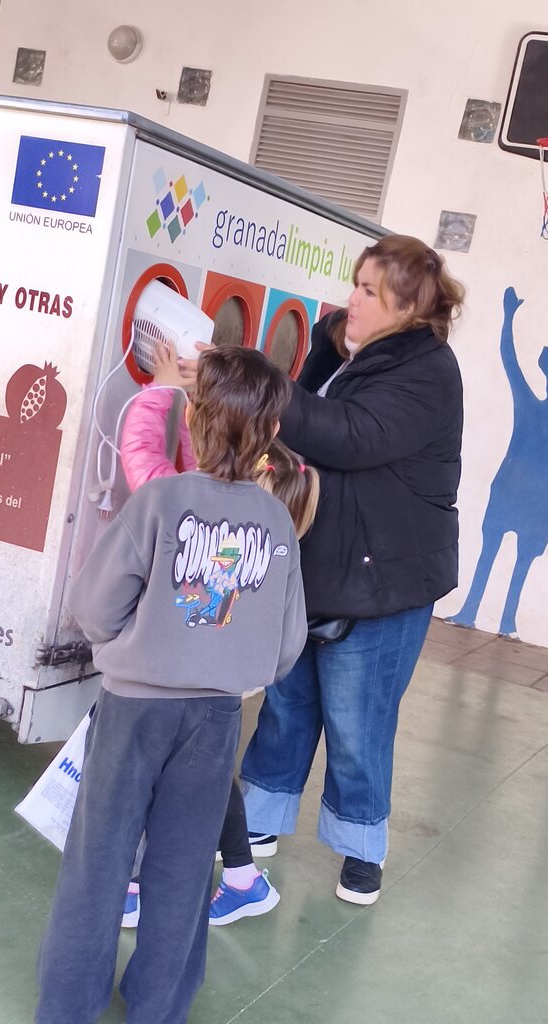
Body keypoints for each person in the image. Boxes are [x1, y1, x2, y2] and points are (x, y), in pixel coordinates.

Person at [35, 346, 307, 1024]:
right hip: (214, 718)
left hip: (133, 707)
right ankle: (157, 1007)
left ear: (191, 417)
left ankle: (69, 1006)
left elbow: (93, 606)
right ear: (273, 432)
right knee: (184, 869)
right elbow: (286, 643)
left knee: (100, 860)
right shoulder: (277, 521)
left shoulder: (159, 500)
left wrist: (125, 651)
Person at [237, 234, 465, 906]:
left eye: (370, 290)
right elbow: (298, 418)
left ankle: (362, 849)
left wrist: (254, 382)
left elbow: (347, 436)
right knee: (286, 704)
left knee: (358, 723)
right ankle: (261, 816)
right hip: (317, 562)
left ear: (408, 307)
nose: (352, 300)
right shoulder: (349, 349)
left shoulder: (428, 371)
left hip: (382, 579)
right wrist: (322, 349)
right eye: (355, 285)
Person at [118, 341, 319, 929]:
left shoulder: (185, 510)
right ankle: (242, 877)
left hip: (175, 672)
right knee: (207, 770)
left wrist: (163, 390)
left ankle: (134, 883)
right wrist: (194, 408)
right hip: (226, 675)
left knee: (153, 770)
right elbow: (202, 468)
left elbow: (145, 460)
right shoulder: (263, 528)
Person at [445, 286, 548, 637]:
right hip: (532, 497)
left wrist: (508, 317)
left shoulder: (528, 403)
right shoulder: (529, 404)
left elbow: (509, 359)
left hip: (513, 490)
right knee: (516, 562)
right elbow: (509, 360)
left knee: (492, 554)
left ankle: (476, 612)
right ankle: (503, 621)